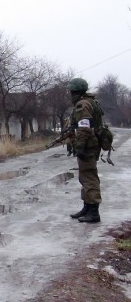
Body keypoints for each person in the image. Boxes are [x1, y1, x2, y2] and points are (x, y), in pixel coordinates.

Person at [67, 77, 102, 223]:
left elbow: (84, 127)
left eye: (72, 91)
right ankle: (87, 207)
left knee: (89, 178)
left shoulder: (83, 104)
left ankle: (94, 212)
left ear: (76, 91)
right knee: (84, 177)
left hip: (87, 146)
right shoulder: (89, 101)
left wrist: (80, 146)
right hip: (89, 145)